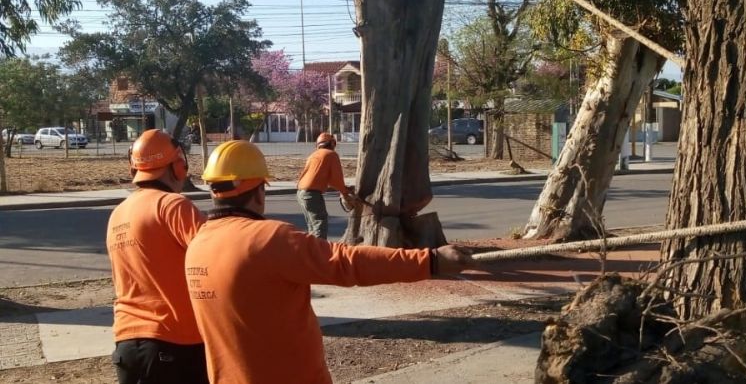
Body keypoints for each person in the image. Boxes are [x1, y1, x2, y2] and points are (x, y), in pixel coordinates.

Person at [187, 140, 476, 384]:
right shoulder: (268, 238)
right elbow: (347, 261)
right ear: (259, 192)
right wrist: (430, 261)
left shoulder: (197, 245)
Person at [106, 129, 209, 384]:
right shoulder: (173, 205)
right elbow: (213, 259)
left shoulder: (118, 214)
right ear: (177, 167)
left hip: (127, 345)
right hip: (175, 342)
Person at [296, 132, 355, 238]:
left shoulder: (313, 155)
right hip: (312, 194)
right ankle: (319, 253)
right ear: (332, 143)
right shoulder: (331, 155)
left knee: (312, 226)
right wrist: (344, 192)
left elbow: (331, 181)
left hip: (301, 193)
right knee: (320, 224)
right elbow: (337, 178)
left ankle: (311, 251)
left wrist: (343, 188)